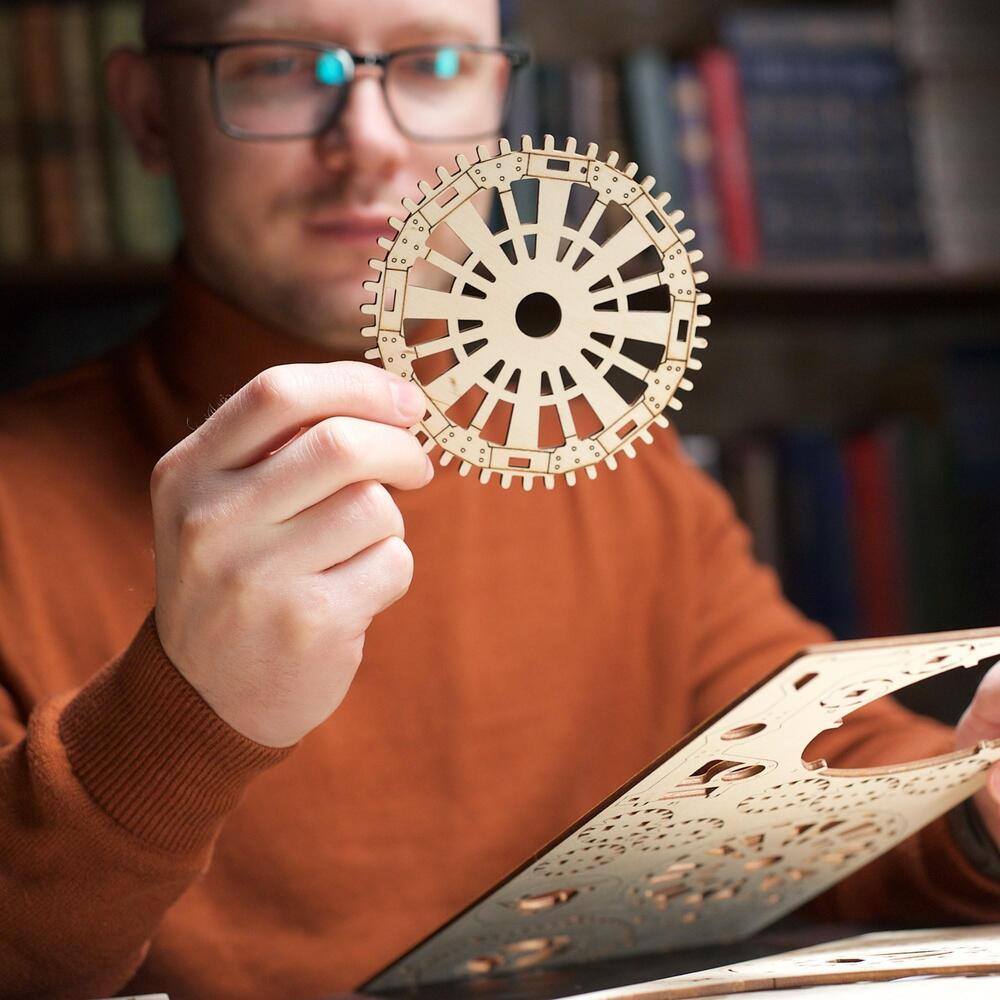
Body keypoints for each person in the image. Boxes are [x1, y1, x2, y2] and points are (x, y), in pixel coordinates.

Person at [1, 1, 998, 997]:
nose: (369, 143)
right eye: (275, 66)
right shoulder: (15, 507)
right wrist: (181, 707)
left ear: (497, 97)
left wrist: (977, 808)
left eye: (433, 63)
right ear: (147, 113)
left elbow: (813, 784)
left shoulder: (605, 457)